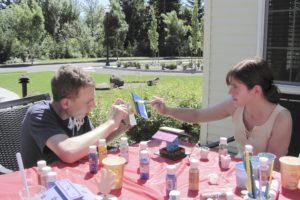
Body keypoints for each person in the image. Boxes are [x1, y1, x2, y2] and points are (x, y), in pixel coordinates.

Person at [151, 57, 292, 170]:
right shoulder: (235, 105)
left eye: (235, 87)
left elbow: (271, 167)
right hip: (239, 172)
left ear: (255, 91)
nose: (230, 92)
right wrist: (167, 110)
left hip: (266, 186)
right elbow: (198, 116)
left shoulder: (282, 118)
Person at [21, 65, 130, 168]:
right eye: (88, 102)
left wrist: (120, 126)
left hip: (71, 177)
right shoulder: (39, 115)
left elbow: (93, 143)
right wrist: (110, 123)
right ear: (66, 104)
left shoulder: (75, 112)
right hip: (42, 183)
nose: (94, 105)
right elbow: (69, 152)